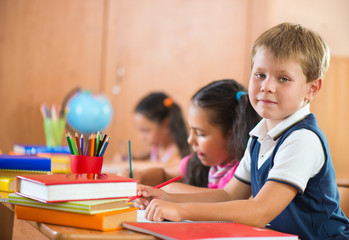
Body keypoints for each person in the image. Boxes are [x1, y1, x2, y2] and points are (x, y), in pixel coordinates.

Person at [134, 23, 349, 239]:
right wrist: (167, 198)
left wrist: (182, 210)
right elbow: (229, 194)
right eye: (260, 75)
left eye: (283, 78)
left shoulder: (302, 139)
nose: (267, 86)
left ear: (312, 88)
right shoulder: (259, 135)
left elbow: (260, 211)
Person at [132, 79, 260, 189]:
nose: (190, 140)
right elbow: (164, 174)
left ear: (232, 133)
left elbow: (222, 197)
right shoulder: (198, 163)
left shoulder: (243, 171)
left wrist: (170, 192)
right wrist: (137, 177)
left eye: (200, 134)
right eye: (191, 130)